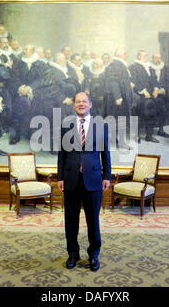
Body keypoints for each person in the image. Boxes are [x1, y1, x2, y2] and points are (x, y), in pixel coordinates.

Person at [57, 92, 111, 272]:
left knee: (93, 220)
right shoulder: (66, 126)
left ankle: (93, 255)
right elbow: (62, 154)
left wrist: (107, 176)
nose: (81, 104)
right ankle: (73, 254)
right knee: (70, 220)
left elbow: (106, 153)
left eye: (84, 101)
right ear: (74, 105)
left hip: (94, 179)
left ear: (90, 104)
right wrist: (60, 177)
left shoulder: (101, 125)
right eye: (78, 102)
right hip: (71, 178)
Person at [103, 47, 137, 148]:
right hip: (117, 99)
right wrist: (118, 97)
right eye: (124, 54)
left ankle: (116, 141)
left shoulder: (120, 65)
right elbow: (113, 82)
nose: (126, 56)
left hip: (122, 97)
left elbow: (121, 79)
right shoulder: (114, 65)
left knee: (119, 120)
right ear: (119, 55)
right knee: (117, 120)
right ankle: (119, 142)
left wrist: (128, 84)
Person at [129, 50, 159, 143]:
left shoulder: (150, 67)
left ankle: (149, 136)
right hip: (138, 95)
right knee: (137, 115)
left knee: (151, 114)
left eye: (147, 55)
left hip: (150, 95)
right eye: (144, 56)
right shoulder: (133, 67)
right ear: (138, 56)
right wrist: (143, 91)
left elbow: (154, 80)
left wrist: (156, 88)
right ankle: (136, 135)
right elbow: (133, 81)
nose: (146, 57)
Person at [151, 52, 169, 138]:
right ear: (152, 59)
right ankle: (149, 131)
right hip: (152, 93)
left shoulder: (165, 68)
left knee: (162, 112)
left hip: (163, 93)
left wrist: (163, 88)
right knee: (151, 111)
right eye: (156, 58)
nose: (158, 59)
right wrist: (154, 90)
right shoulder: (148, 67)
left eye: (159, 58)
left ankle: (161, 130)